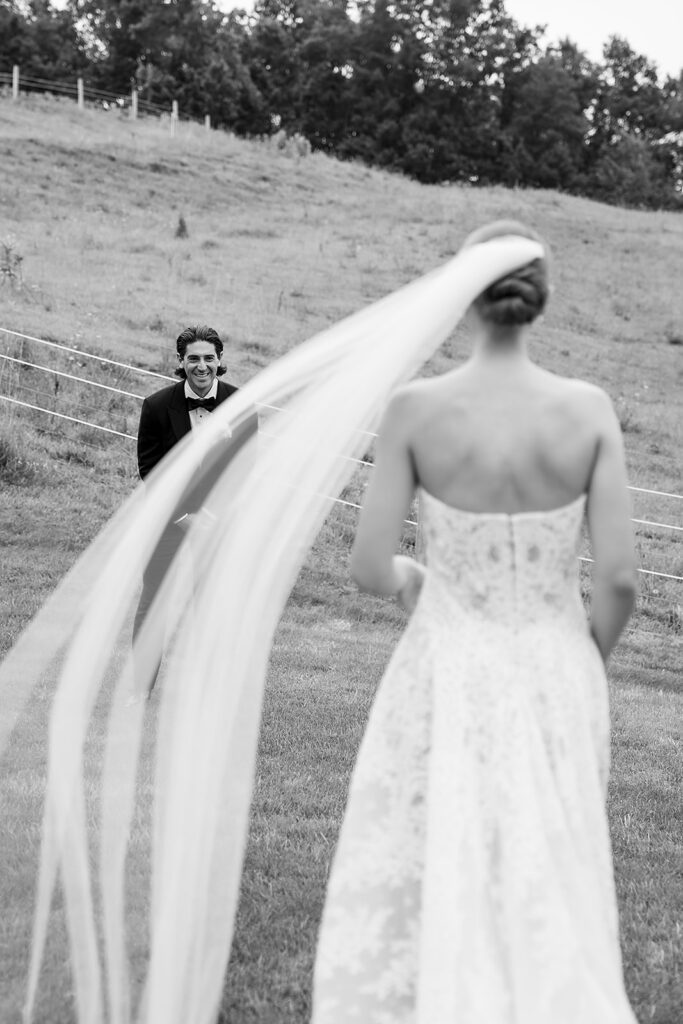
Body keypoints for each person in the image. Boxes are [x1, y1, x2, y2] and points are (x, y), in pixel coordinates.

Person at [311, 220, 638, 1022]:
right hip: (555, 663)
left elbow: (366, 568)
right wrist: (579, 651)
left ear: (462, 297)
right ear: (541, 300)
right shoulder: (586, 410)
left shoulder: (416, 409)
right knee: (547, 850)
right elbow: (622, 580)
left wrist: (418, 579)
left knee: (439, 846)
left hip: (444, 661)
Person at [132, 323, 256, 696]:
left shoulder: (241, 403)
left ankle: (207, 691)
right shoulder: (156, 406)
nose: (201, 366)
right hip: (168, 522)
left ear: (220, 361)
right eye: (193, 359)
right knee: (154, 603)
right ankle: (139, 689)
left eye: (208, 358)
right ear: (180, 362)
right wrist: (186, 517)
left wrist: (214, 515)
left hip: (220, 523)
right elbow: (150, 470)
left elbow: (245, 467)